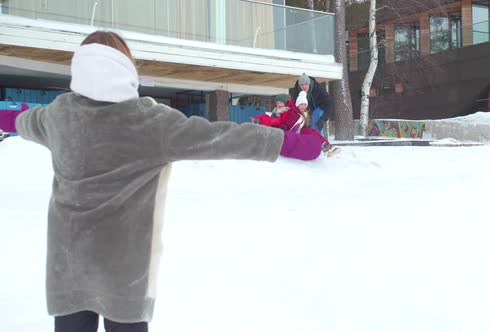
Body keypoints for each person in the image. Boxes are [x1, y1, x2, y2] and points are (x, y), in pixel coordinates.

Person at [13, 31, 324, 332]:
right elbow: (217, 137)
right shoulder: (147, 121)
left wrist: (9, 117)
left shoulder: (59, 115)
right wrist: (287, 143)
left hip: (67, 266)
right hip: (124, 271)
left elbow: (23, 121)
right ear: (125, 67)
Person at [294, 91, 341, 157]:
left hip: (302, 132)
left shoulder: (305, 114)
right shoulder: (295, 113)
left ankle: (327, 148)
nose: (303, 106)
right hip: (296, 133)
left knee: (315, 132)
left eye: (305, 105)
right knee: (311, 132)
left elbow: (306, 126)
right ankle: (326, 147)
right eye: (301, 104)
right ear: (297, 105)